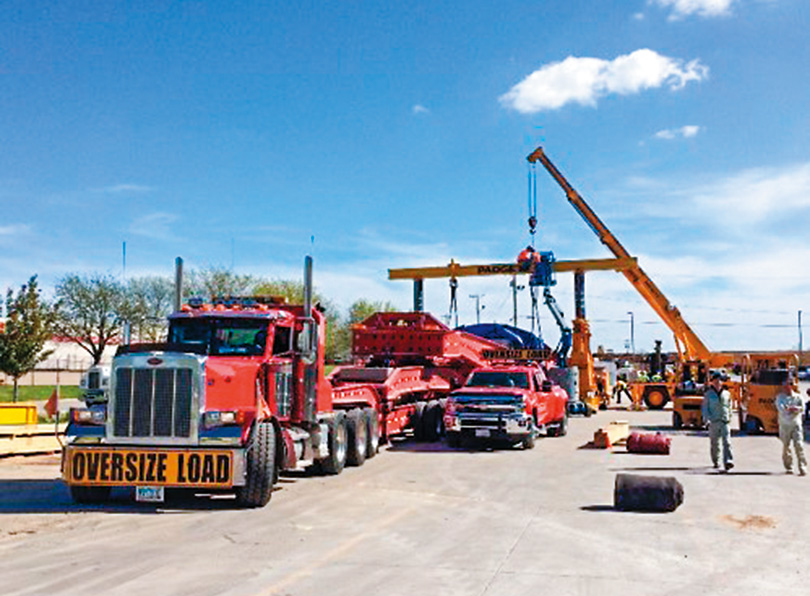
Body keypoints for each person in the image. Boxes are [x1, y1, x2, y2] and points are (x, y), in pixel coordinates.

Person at [701, 371, 734, 472]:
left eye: (719, 381)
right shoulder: (708, 395)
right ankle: (716, 461)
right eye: (716, 380)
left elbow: (729, 406)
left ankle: (728, 461)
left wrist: (729, 417)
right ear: (712, 382)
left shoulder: (726, 394)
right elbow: (705, 408)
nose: (718, 382)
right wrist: (706, 420)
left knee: (727, 442)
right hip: (713, 421)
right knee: (715, 444)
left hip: (724, 421)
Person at [775, 379, 806, 475]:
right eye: (786, 385)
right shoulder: (780, 397)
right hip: (785, 425)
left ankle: (802, 466)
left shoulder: (798, 397)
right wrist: (790, 409)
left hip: (796, 424)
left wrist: (796, 409)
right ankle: (789, 466)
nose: (788, 387)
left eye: (790, 384)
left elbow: (802, 408)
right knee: (786, 446)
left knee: (799, 445)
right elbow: (781, 408)